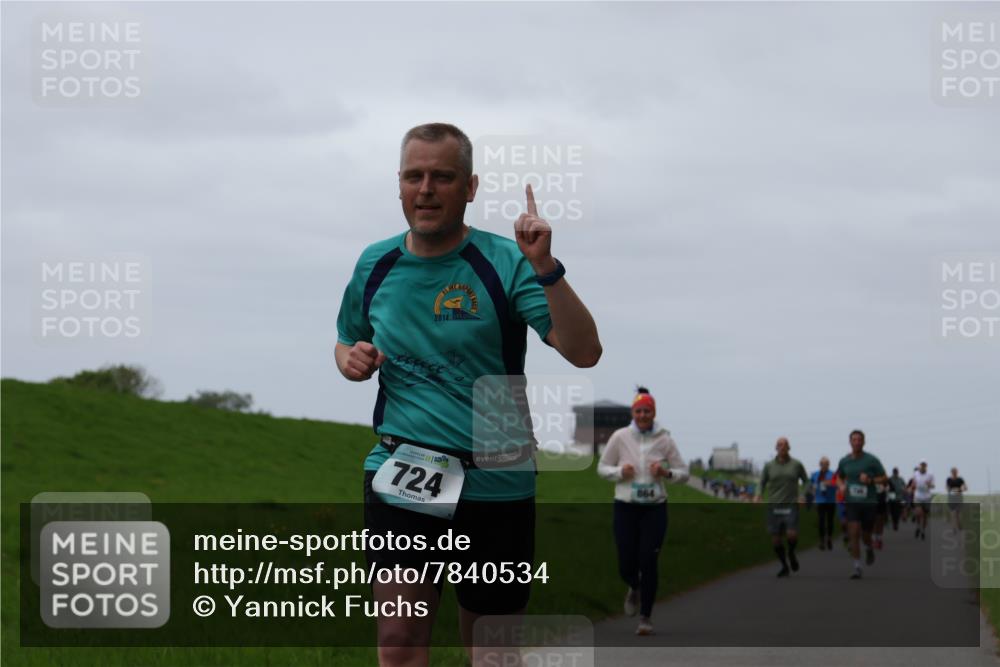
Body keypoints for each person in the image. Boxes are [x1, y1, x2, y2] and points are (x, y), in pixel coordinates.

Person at [335, 122, 602, 666]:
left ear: (470, 187)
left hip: (495, 474)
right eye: (415, 176)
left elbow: (584, 351)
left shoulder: (505, 261)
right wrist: (352, 361)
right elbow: (347, 339)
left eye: (443, 176)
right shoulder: (375, 263)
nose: (426, 189)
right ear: (400, 184)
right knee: (399, 639)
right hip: (407, 467)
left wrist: (546, 268)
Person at [598, 388, 689, 636]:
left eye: (647, 410)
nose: (642, 415)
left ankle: (645, 617)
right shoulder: (620, 437)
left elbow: (684, 473)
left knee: (648, 560)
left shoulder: (665, 440)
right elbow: (602, 467)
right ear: (632, 413)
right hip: (625, 506)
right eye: (638, 411)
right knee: (626, 562)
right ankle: (634, 586)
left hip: (654, 507)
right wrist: (619, 472)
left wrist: (666, 473)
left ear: (654, 412)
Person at [834, 429, 887, 579]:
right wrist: (841, 486)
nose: (857, 442)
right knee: (854, 532)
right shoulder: (844, 461)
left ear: (864, 442)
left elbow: (884, 478)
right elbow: (839, 477)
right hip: (852, 502)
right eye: (854, 439)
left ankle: (869, 547)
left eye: (859, 440)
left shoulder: (871, 460)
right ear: (850, 442)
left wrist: (870, 480)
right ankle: (857, 567)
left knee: (865, 535)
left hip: (869, 502)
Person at [755, 437, 809, 577]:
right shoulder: (769, 466)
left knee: (791, 534)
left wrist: (802, 495)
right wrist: (758, 494)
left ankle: (791, 553)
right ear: (776, 448)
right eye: (779, 445)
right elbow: (761, 482)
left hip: (791, 505)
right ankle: (784, 565)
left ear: (789, 448)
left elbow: (807, 482)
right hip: (773, 506)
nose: (782, 447)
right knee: (776, 539)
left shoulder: (796, 464)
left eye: (784, 445)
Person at [810, 457, 837, 550]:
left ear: (828, 465)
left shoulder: (833, 474)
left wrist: (829, 483)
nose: (824, 465)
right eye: (822, 464)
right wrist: (813, 499)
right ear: (820, 464)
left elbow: (836, 484)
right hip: (819, 500)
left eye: (826, 464)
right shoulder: (815, 474)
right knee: (821, 521)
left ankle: (829, 538)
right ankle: (821, 541)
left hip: (830, 500)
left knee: (830, 521)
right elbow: (812, 487)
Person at [909, 460, 935, 540]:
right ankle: (918, 526)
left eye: (924, 465)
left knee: (925, 516)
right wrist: (911, 488)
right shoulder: (916, 474)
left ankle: (923, 531)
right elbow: (913, 483)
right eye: (921, 465)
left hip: (927, 497)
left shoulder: (930, 475)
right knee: (918, 513)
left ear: (926, 466)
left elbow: (933, 486)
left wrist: (929, 484)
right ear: (919, 465)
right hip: (918, 496)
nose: (923, 466)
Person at [946, 467, 968, 531]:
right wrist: (951, 490)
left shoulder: (960, 479)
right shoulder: (949, 480)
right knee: (953, 513)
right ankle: (954, 527)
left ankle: (959, 524)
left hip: (959, 497)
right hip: (951, 498)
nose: (954, 473)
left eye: (955, 471)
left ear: (957, 472)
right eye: (953, 472)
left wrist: (959, 489)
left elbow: (966, 488)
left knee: (958, 513)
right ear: (951, 472)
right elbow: (947, 488)